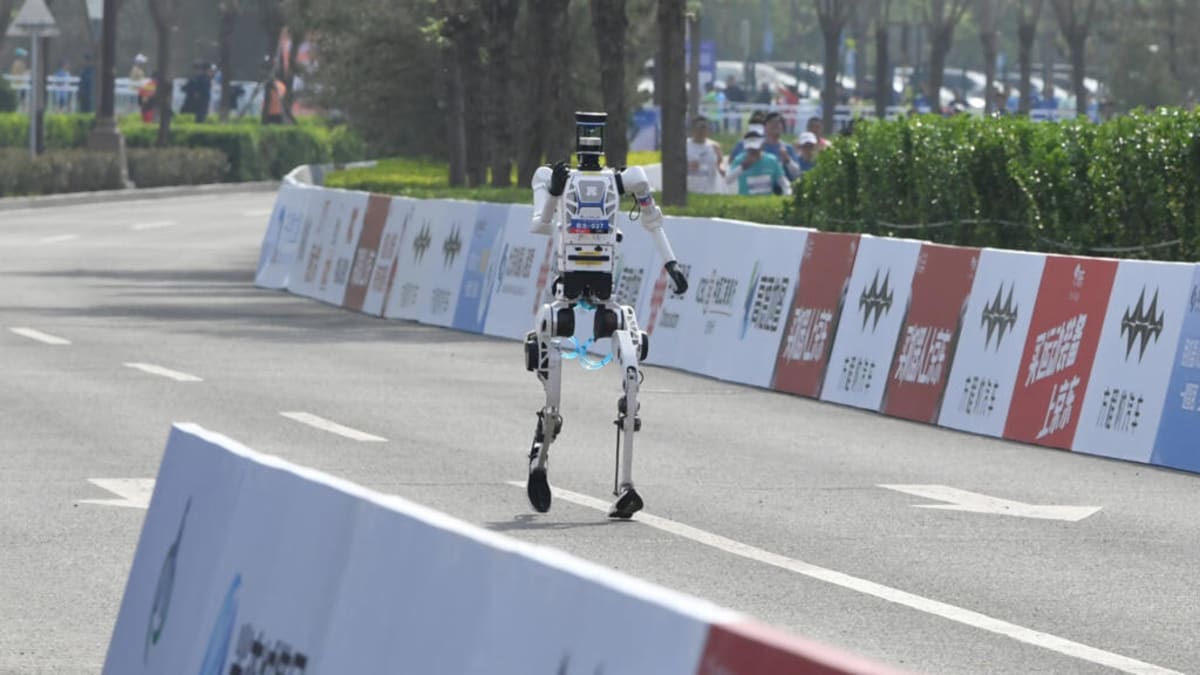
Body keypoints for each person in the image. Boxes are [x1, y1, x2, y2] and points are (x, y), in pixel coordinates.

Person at [524, 111, 689, 520]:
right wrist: (554, 194)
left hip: (604, 286)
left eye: (594, 137)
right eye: (586, 136)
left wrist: (672, 264)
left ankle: (626, 485)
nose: (590, 145)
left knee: (631, 367)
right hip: (568, 285)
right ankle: (540, 456)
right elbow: (541, 226)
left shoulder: (625, 180)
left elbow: (652, 219)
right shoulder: (549, 177)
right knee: (553, 369)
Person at [725, 128, 792, 197]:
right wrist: (742, 167)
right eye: (750, 148)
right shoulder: (739, 160)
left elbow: (783, 182)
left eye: (755, 148)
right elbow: (727, 180)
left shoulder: (772, 160)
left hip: (766, 202)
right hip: (745, 202)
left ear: (762, 145)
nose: (753, 151)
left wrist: (787, 195)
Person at [686, 115, 724, 194]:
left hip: (708, 190)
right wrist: (688, 166)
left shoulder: (714, 146)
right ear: (693, 129)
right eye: (699, 128)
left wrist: (721, 169)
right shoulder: (685, 145)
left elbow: (720, 162)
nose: (702, 131)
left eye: (704, 127)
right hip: (689, 190)